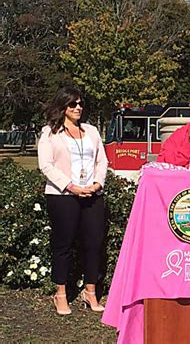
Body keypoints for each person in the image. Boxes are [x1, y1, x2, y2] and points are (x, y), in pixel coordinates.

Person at [38, 86, 108, 315]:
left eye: (80, 103)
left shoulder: (91, 131)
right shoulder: (50, 133)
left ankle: (90, 292)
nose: (78, 107)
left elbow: (101, 161)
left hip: (92, 194)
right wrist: (71, 186)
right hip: (63, 195)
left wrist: (97, 183)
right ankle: (60, 293)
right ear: (63, 107)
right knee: (63, 244)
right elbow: (45, 165)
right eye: (72, 104)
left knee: (94, 243)